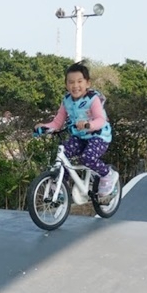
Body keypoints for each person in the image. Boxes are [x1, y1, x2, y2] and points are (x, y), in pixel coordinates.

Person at [33, 63, 118, 196]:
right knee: (63, 156)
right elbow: (57, 122)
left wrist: (88, 125)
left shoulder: (93, 99)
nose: (75, 85)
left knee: (87, 158)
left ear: (87, 83)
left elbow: (100, 120)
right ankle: (61, 187)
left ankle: (107, 174)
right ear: (66, 85)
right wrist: (45, 127)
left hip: (99, 136)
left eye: (79, 81)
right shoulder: (66, 100)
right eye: (71, 82)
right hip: (80, 137)